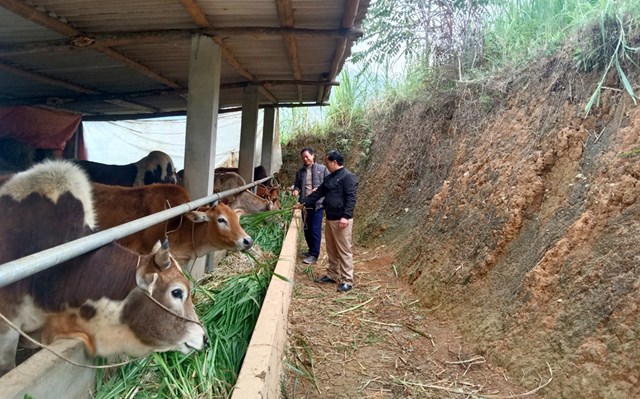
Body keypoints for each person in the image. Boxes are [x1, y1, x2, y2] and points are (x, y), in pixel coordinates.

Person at [299, 150, 358, 292]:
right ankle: (332, 274)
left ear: (334, 162)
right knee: (331, 249)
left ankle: (347, 280)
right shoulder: (330, 178)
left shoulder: (348, 177)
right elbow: (318, 193)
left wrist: (346, 216)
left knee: (344, 250)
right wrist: (303, 203)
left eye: (327, 163)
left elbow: (351, 199)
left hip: (341, 220)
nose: (326, 165)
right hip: (330, 218)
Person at [292, 147, 329, 264]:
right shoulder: (300, 172)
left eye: (307, 156)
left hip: (318, 204)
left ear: (313, 156)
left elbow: (329, 184)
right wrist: (296, 190)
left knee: (315, 229)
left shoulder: (322, 169)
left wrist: (319, 189)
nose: (305, 158)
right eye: (303, 157)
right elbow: (297, 185)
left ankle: (314, 254)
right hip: (304, 204)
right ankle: (310, 250)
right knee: (307, 229)